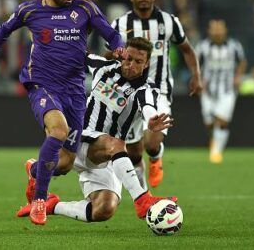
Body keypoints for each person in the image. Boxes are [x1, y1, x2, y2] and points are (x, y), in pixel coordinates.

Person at [0, 0, 126, 226]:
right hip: (42, 83)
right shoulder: (29, 11)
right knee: (58, 130)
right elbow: (2, 31)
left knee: (65, 163)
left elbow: (111, 34)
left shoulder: (85, 9)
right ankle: (40, 202)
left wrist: (120, 48)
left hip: (75, 90)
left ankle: (34, 170)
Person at [16, 37, 176, 223]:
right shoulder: (104, 67)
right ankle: (142, 200)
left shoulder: (147, 89)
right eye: (128, 58)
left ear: (146, 63)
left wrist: (150, 120)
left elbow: (147, 105)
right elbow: (77, 54)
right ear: (122, 55)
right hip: (79, 139)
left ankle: (53, 204)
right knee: (112, 144)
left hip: (107, 157)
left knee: (104, 209)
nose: (130, 65)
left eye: (138, 61)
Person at [109, 0, 202, 189]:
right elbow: (108, 54)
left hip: (159, 91)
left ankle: (155, 158)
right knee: (132, 152)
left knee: (151, 144)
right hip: (129, 93)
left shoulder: (169, 21)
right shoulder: (120, 24)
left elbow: (187, 49)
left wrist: (196, 75)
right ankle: (143, 194)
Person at [196, 19, 247, 164]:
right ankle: (215, 142)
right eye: (214, 29)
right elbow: (195, 63)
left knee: (222, 121)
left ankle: (216, 152)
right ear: (209, 31)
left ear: (225, 30)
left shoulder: (234, 46)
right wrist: (198, 79)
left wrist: (238, 77)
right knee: (209, 123)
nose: (217, 32)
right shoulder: (203, 46)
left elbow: (242, 62)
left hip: (227, 89)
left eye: (220, 29)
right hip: (208, 90)